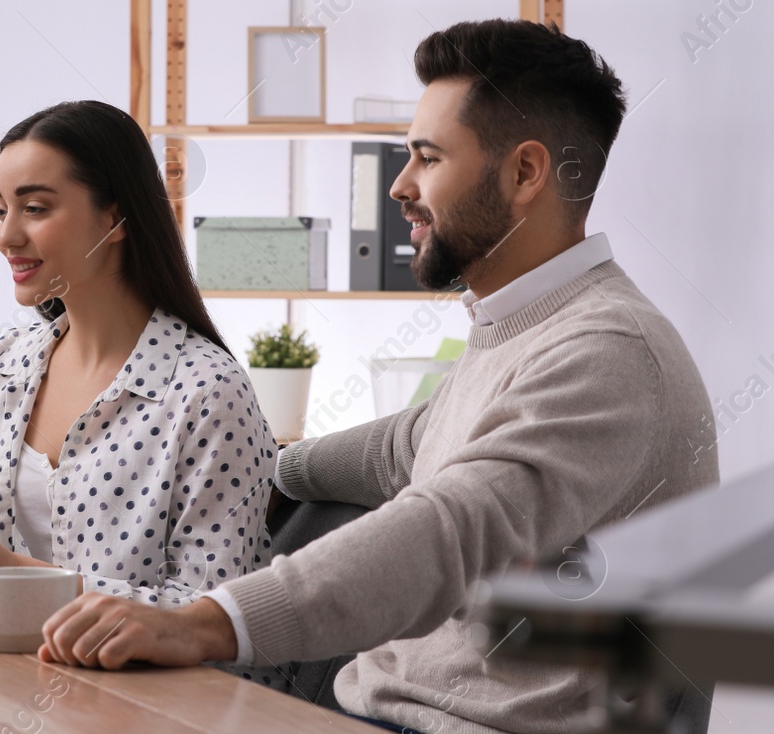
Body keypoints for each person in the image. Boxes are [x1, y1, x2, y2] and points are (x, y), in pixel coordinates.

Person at [37, 20, 719, 734]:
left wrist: (203, 622)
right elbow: (408, 446)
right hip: (369, 709)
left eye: (427, 158)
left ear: (525, 173)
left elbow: (450, 528)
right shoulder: (524, 327)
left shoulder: (608, 352)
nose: (400, 186)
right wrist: (267, 469)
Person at [0, 100, 280, 629]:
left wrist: (14, 573)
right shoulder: (5, 366)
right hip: (9, 672)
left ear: (115, 218)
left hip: (152, 701)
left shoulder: (207, 391)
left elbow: (213, 616)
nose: (6, 236)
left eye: (35, 208)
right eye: (1, 210)